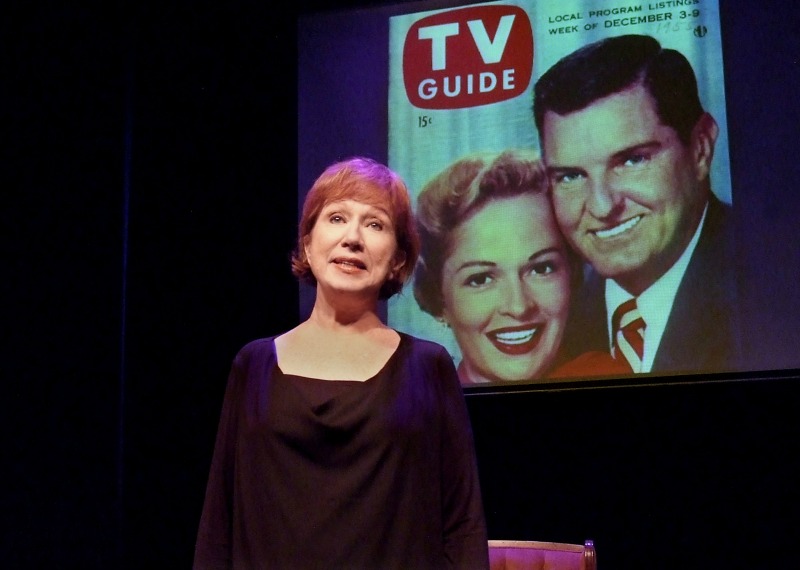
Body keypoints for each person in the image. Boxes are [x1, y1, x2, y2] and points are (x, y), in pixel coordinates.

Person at [193, 157, 489, 569]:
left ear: (399, 260)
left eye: (375, 224)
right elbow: (217, 526)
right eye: (336, 218)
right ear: (308, 245)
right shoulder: (254, 365)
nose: (353, 238)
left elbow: (463, 524)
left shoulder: (429, 367)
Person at [533, 34, 742, 375]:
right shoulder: (549, 326)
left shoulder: (774, 282)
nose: (602, 207)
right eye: (570, 176)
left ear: (701, 148)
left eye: (632, 160)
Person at [413, 149, 585, 385]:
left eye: (542, 269)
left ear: (572, 273)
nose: (519, 307)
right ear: (439, 300)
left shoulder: (611, 379)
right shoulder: (422, 414)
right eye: (481, 279)